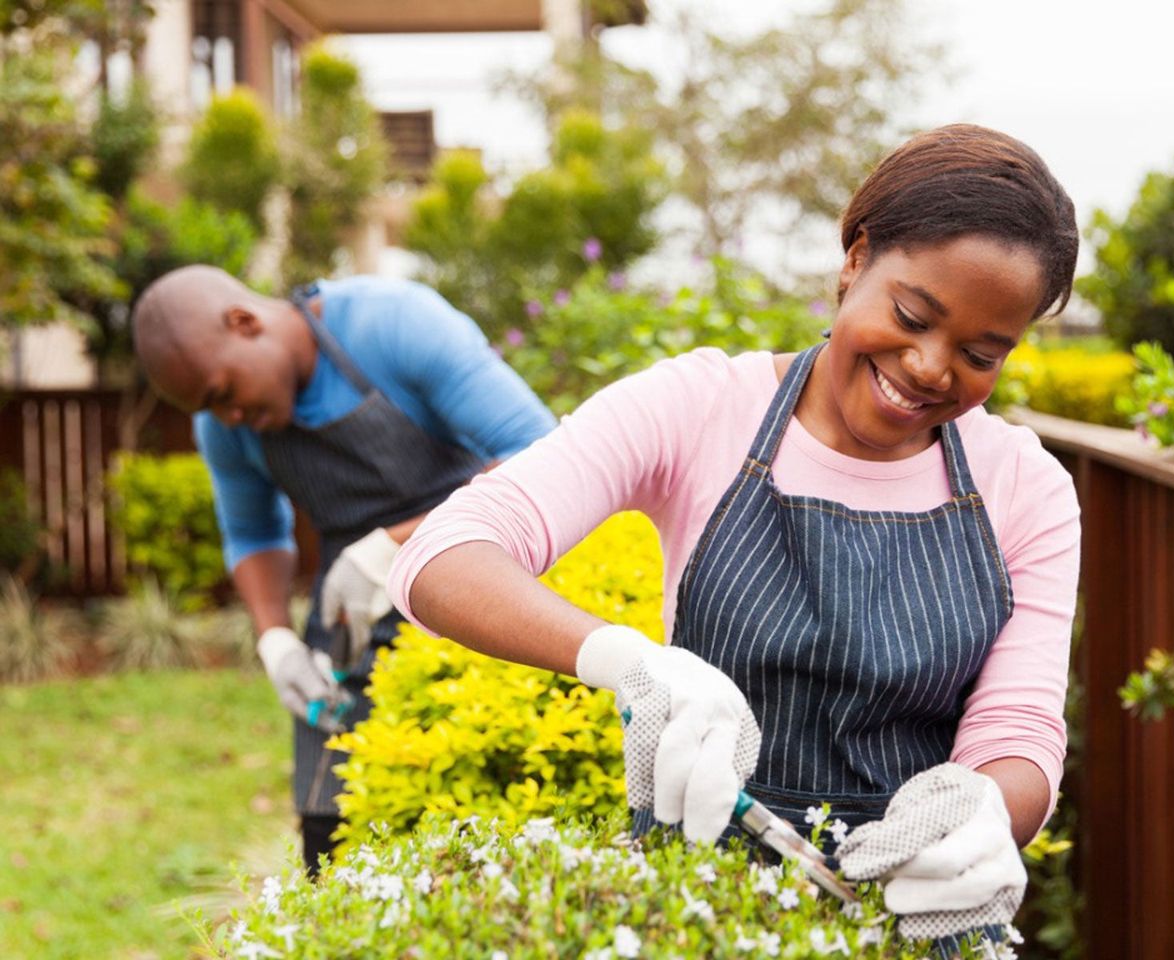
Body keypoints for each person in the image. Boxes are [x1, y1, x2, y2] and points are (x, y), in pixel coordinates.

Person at [389, 124, 1081, 933]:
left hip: (918, 917)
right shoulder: (699, 409)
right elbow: (444, 553)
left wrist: (985, 811)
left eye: (981, 352)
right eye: (911, 314)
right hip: (699, 914)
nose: (931, 366)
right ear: (855, 258)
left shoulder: (1024, 486)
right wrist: (630, 663)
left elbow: (1020, 726)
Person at [131, 268, 556, 873]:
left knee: (476, 828)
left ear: (245, 323)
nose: (227, 417)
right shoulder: (225, 428)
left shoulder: (394, 322)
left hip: (483, 587)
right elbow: (254, 534)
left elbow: (537, 450)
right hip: (351, 615)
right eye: (208, 408)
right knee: (332, 843)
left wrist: (393, 548)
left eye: (224, 393)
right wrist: (275, 638)